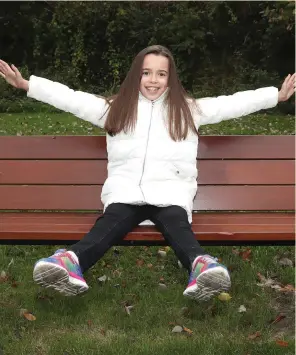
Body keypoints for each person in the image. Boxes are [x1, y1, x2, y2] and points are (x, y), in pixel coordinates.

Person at [0, 46, 295, 301]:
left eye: (161, 74)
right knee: (110, 224)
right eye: (147, 73)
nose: (153, 80)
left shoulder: (188, 110)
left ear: (170, 78)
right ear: (136, 75)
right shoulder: (114, 109)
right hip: (126, 191)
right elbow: (72, 98)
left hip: (170, 192)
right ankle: (69, 262)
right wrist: (28, 86)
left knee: (176, 225)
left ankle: (201, 266)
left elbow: (232, 103)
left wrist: (275, 96)